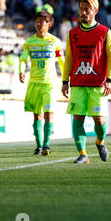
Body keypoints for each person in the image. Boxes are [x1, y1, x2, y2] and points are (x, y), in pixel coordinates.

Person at [62, 0, 111, 164]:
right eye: (81, 9)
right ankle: (83, 153)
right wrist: (65, 81)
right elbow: (69, 59)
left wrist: (110, 79)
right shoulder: (73, 34)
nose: (83, 12)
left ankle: (100, 142)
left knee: (99, 121)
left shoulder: (105, 32)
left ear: (95, 11)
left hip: (98, 84)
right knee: (77, 118)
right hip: (78, 83)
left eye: (87, 9)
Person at [19, 10, 64, 156]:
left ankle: (46, 145)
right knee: (37, 115)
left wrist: (65, 79)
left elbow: (62, 62)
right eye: (37, 21)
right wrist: (21, 71)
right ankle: (38, 146)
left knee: (49, 114)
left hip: (49, 83)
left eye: (42, 21)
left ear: (49, 24)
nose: (39, 24)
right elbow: (23, 59)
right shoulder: (29, 42)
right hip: (34, 83)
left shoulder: (55, 42)